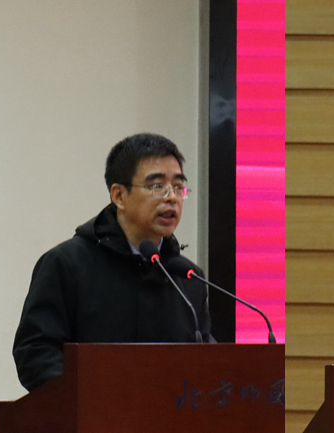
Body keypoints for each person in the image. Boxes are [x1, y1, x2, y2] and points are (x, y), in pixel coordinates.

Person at [13, 133, 213, 391]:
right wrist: (94, 398)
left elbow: (206, 362)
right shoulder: (67, 265)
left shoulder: (187, 277)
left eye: (177, 187)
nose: (171, 197)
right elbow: (35, 354)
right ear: (119, 195)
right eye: (156, 186)